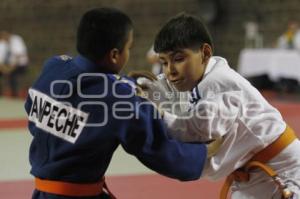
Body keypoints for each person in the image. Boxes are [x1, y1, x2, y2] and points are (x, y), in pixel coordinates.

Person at [23, 8, 216, 199]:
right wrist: (204, 152)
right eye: (129, 48)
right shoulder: (119, 97)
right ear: (115, 55)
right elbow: (156, 148)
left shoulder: (54, 67)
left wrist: (126, 83)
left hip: (41, 193)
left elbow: (37, 112)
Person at [138, 13, 300, 199]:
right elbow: (163, 84)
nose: (170, 71)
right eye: (164, 62)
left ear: (205, 53)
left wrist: (155, 113)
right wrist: (140, 86)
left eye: (178, 59)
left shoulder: (219, 83)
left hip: (287, 172)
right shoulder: (202, 75)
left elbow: (196, 130)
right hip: (254, 175)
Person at [0, 31, 28, 97]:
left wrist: (10, 69)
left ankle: (15, 96)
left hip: (20, 65)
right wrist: (4, 69)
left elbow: (18, 57)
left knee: (13, 76)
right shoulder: (2, 43)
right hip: (7, 66)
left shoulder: (16, 39)